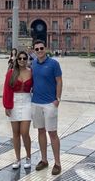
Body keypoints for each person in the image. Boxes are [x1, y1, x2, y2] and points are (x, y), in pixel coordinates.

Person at [30, 39, 63, 175]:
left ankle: (57, 163)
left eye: (41, 48)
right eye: (36, 49)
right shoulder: (33, 64)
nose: (39, 51)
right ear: (34, 50)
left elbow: (59, 81)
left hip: (50, 103)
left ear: (46, 48)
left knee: (53, 133)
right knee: (41, 132)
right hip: (36, 102)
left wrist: (57, 99)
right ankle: (44, 160)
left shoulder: (54, 63)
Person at [2, 51, 33, 170]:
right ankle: (17, 158)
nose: (22, 60)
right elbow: (6, 89)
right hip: (13, 102)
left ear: (27, 59)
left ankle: (29, 157)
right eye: (19, 58)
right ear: (17, 60)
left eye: (24, 58)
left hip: (27, 102)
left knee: (24, 132)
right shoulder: (11, 73)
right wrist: (7, 105)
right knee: (15, 133)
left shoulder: (31, 72)